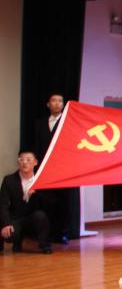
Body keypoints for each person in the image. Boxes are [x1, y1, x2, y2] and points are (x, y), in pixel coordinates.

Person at [33, 93, 74, 243]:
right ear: (48, 104)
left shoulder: (68, 121)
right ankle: (47, 233)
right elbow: (37, 147)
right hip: (45, 170)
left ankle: (62, 233)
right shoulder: (40, 123)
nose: (57, 103)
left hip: (63, 170)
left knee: (64, 203)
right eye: (54, 101)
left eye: (60, 101)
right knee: (47, 203)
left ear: (63, 104)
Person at [0, 151, 52, 254]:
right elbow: (3, 204)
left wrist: (36, 193)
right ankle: (16, 241)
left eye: (28, 160)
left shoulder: (40, 180)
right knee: (9, 234)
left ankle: (44, 245)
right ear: (18, 162)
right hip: (15, 218)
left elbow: (51, 201)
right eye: (21, 160)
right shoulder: (9, 180)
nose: (24, 162)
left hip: (32, 219)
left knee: (40, 216)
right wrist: (6, 224)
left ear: (35, 162)